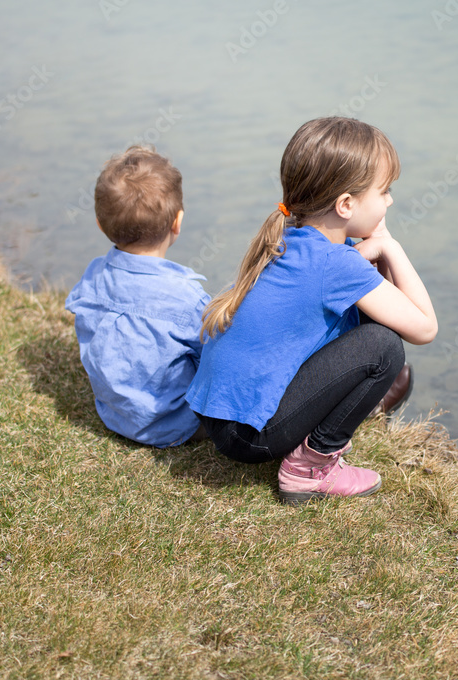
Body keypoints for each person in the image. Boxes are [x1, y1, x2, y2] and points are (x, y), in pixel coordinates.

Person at [186, 117, 437, 505]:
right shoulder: (336, 265)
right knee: (384, 347)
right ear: (346, 204)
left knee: (370, 322)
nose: (390, 201)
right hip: (249, 435)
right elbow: (424, 328)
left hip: (217, 417)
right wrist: (390, 247)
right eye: (384, 191)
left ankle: (326, 429)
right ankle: (309, 468)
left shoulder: (292, 239)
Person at [66, 146, 210, 448]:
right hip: (177, 426)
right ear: (177, 222)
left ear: (99, 224)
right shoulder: (186, 297)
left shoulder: (94, 276)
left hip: (115, 416)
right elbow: (213, 359)